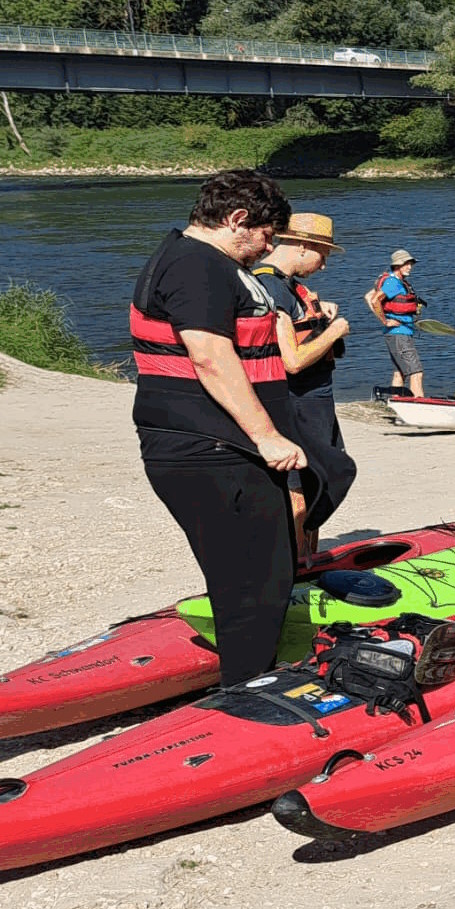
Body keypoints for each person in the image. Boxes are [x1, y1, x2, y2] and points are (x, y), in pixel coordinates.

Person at [129, 170, 306, 684]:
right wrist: (266, 436)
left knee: (261, 579)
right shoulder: (197, 265)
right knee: (251, 586)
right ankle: (247, 694)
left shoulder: (191, 258)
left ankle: (249, 677)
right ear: (236, 220)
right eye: (267, 233)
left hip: (218, 448)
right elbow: (209, 356)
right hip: (211, 450)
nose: (270, 246)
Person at [251, 212, 353, 556]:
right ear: (304, 246)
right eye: (323, 254)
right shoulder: (271, 284)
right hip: (298, 401)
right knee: (300, 487)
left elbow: (297, 324)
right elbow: (291, 361)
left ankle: (309, 554)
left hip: (316, 399)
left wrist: (318, 313)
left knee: (321, 479)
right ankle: (297, 562)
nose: (323, 265)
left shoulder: (289, 285)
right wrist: (336, 331)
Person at [365, 249, 425, 398]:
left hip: (397, 334)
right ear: (397, 265)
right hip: (400, 334)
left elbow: (368, 296)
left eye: (410, 264)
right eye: (406, 264)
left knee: (400, 373)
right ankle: (419, 406)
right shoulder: (393, 283)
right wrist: (385, 321)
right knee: (416, 372)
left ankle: (395, 403)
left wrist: (384, 321)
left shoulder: (394, 281)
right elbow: (374, 300)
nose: (410, 267)